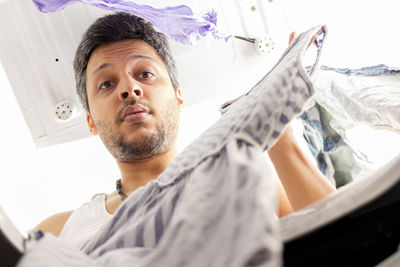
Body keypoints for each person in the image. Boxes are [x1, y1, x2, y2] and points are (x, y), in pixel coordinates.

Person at [35, 12, 334, 246]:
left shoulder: (249, 179)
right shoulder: (59, 233)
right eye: (106, 84)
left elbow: (346, 241)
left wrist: (280, 132)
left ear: (178, 98)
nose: (129, 88)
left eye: (145, 74)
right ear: (91, 123)